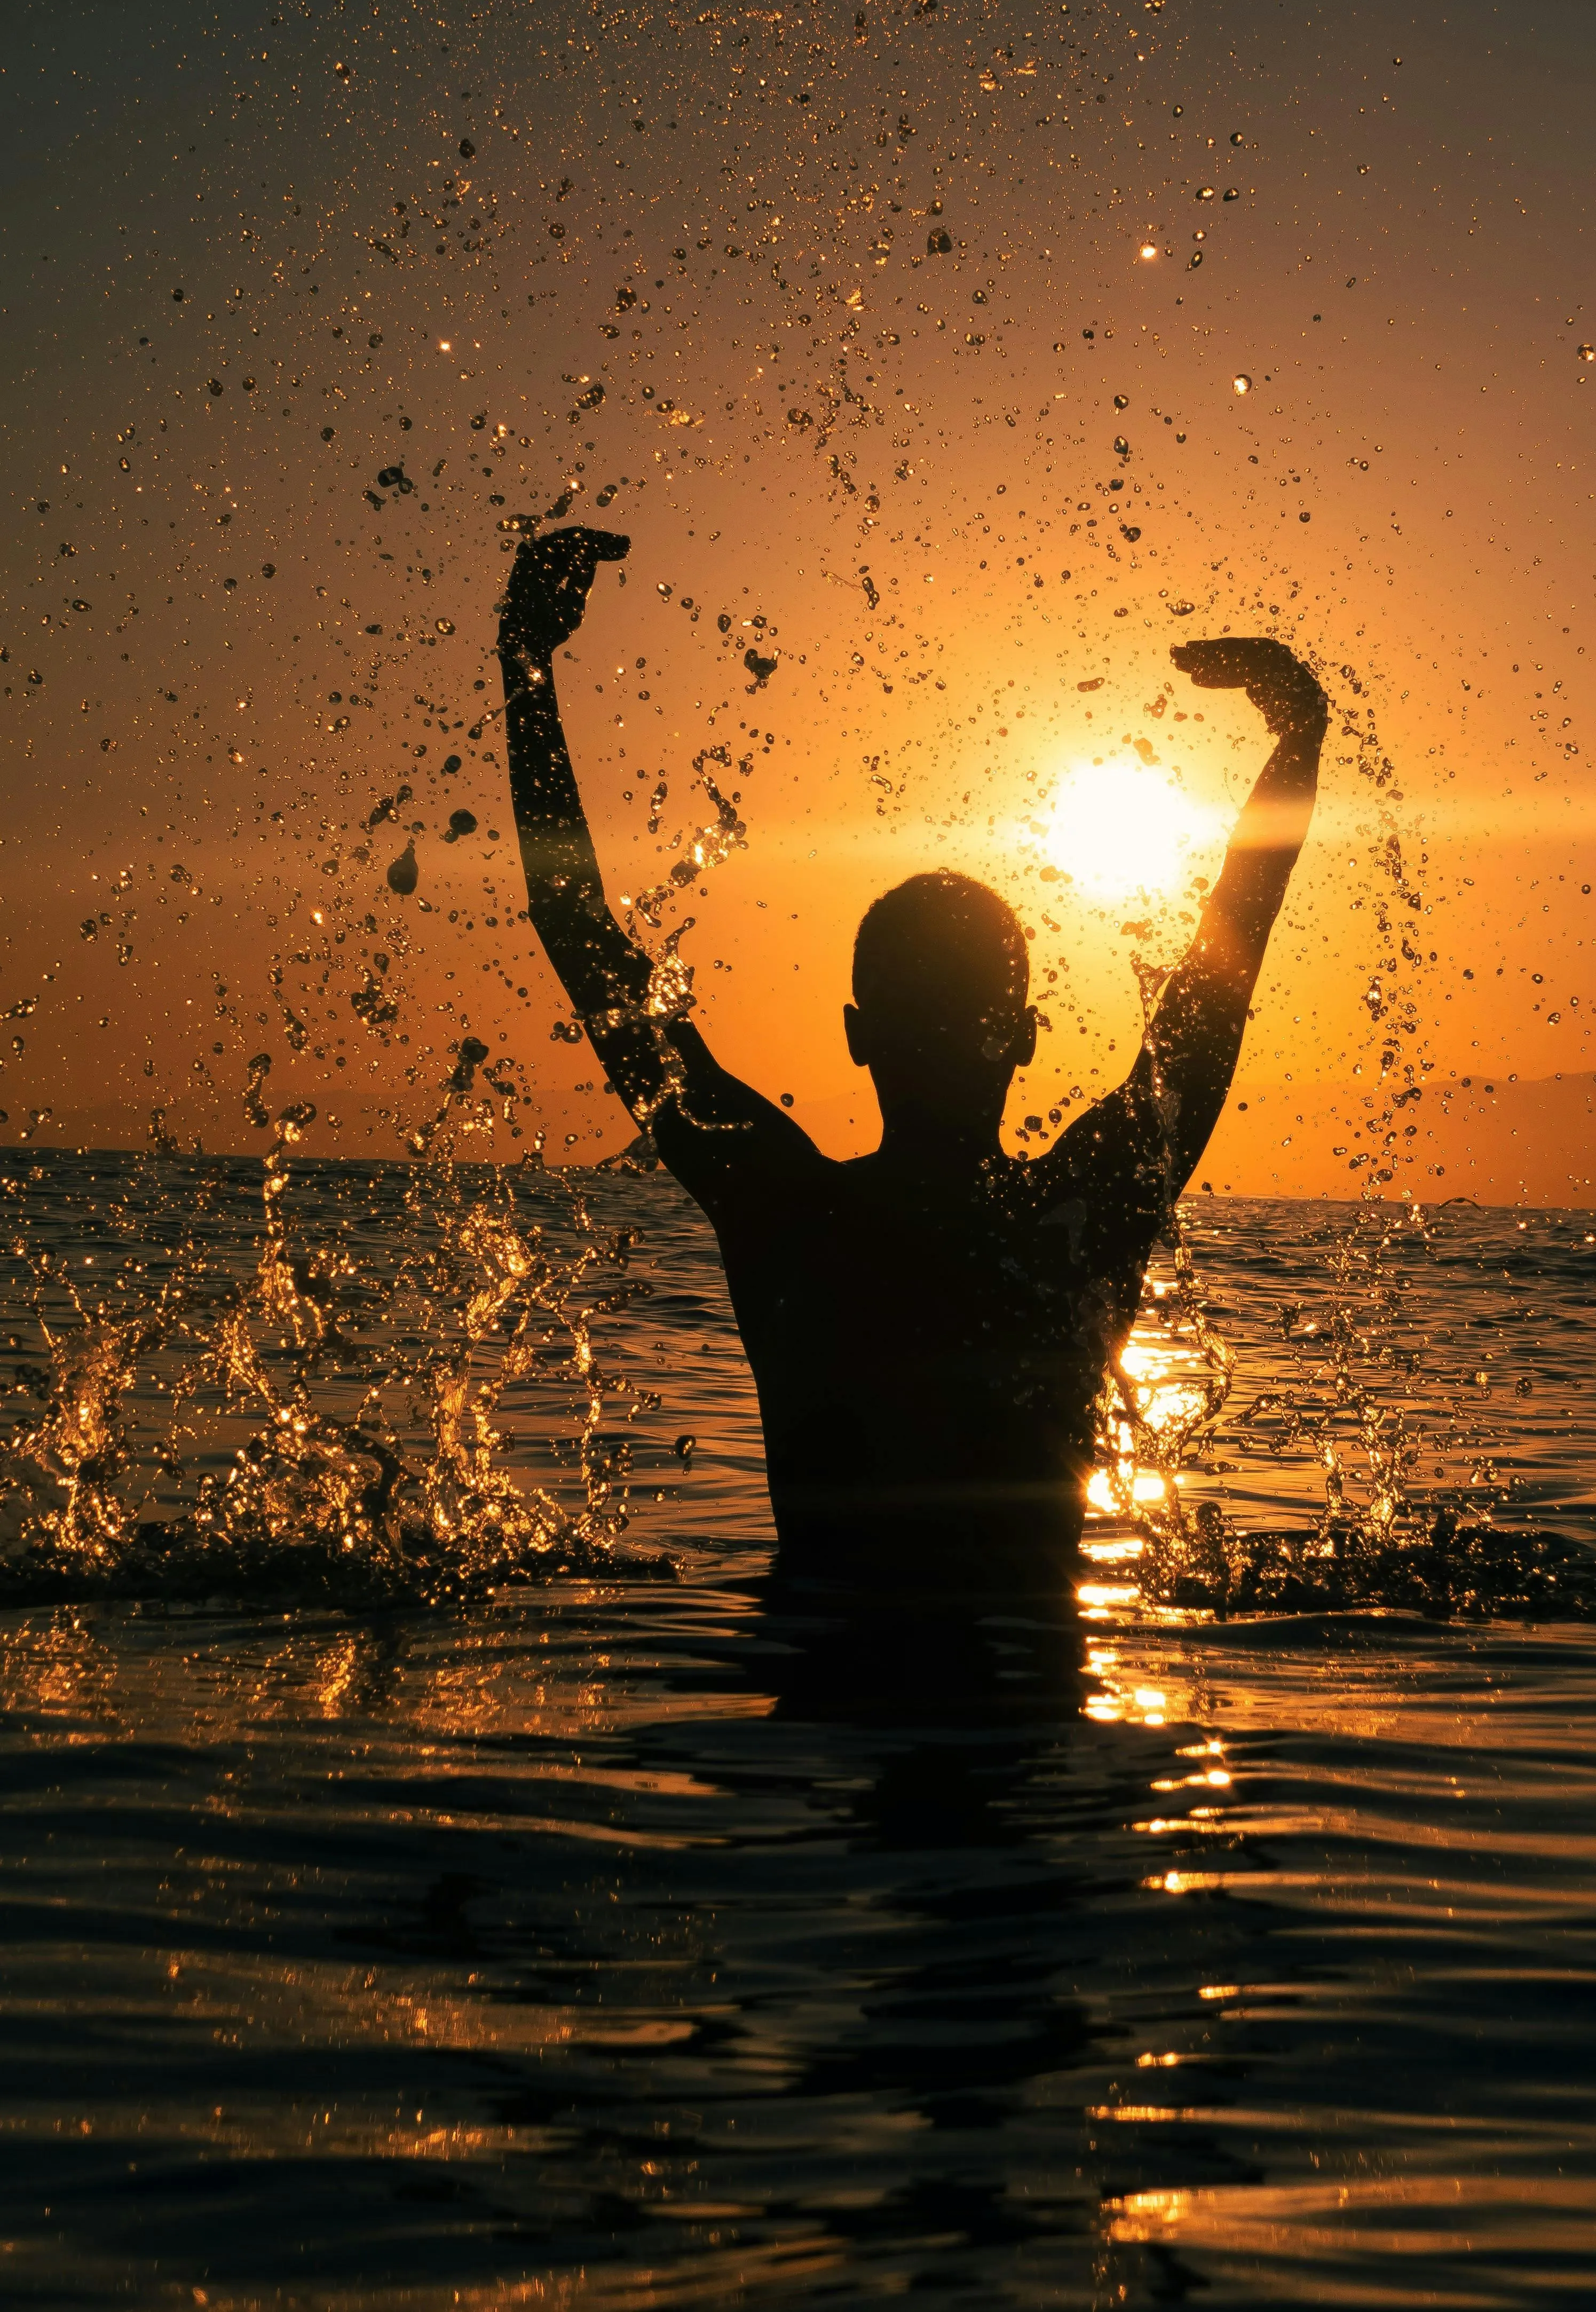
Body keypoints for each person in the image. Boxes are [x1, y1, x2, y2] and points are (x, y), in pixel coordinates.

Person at [500, 527, 1326, 1605]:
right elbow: (1227, 961)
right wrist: (1298, 738)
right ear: (1025, 1034)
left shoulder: (787, 1211)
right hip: (1036, 1710)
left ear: (857, 1033)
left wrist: (524, 665)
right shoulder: (1080, 1212)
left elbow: (576, 928)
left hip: (820, 1694)